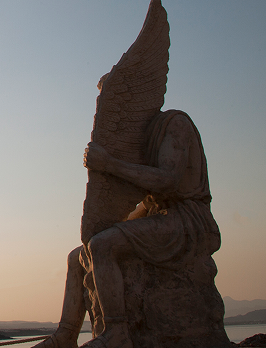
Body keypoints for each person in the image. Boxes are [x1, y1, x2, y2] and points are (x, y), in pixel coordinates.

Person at [37, 109, 220, 348]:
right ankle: (66, 334)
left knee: (102, 245)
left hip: (187, 220)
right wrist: (115, 225)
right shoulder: (141, 138)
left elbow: (167, 180)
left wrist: (109, 164)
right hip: (161, 216)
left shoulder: (175, 124)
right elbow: (147, 203)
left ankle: (116, 332)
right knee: (77, 256)